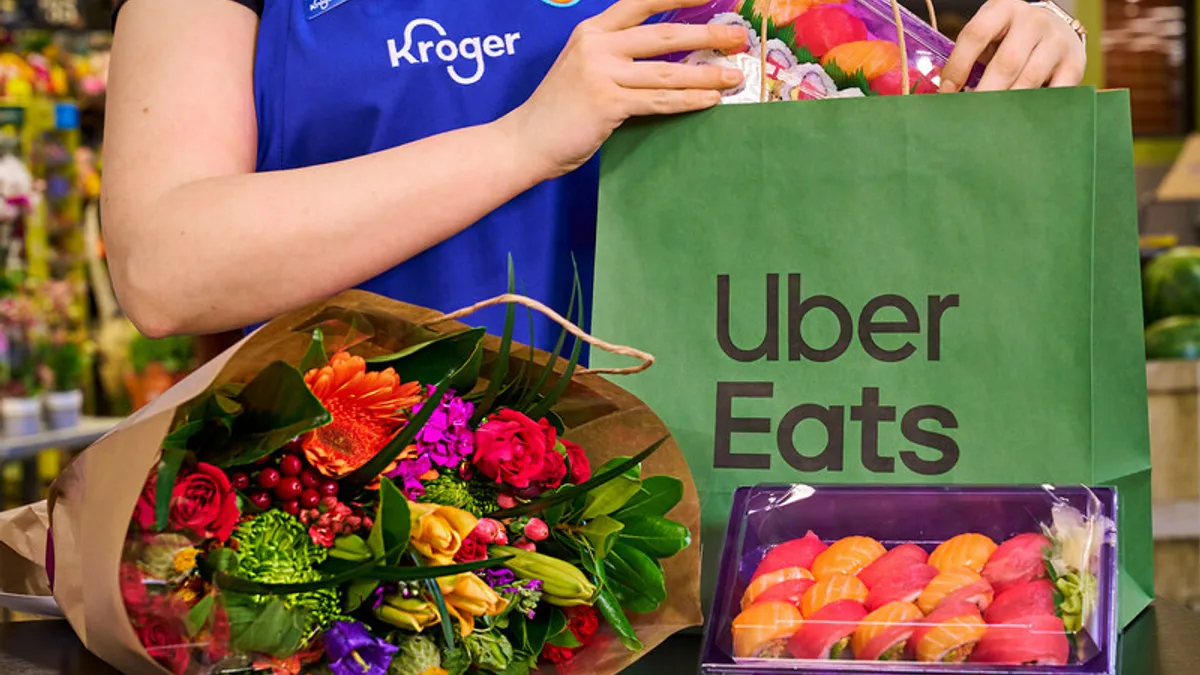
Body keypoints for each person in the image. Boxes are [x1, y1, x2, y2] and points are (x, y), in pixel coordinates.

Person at [102, 0, 1086, 350]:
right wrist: (524, 141)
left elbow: (884, 145)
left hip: (688, 532)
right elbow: (164, 268)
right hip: (355, 549)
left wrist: (1027, 55)